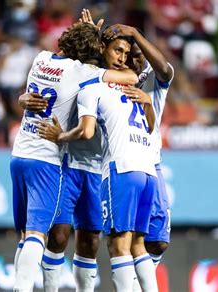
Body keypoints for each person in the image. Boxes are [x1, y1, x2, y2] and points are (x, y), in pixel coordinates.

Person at [10, 22, 138, 291]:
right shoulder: (85, 73)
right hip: (57, 160)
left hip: (28, 152)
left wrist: (23, 99)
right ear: (96, 50)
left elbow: (31, 91)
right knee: (48, 235)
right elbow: (131, 77)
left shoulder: (41, 58)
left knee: (37, 236)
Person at [39, 56, 158, 291]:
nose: (121, 58)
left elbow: (143, 74)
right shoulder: (83, 75)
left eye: (125, 53)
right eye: (116, 51)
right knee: (59, 236)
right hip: (69, 164)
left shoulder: (124, 84)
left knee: (90, 240)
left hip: (98, 169)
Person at [103, 23, 174, 275]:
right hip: (120, 162)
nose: (130, 61)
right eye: (125, 55)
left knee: (156, 241)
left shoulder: (153, 78)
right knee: (124, 239)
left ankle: (136, 283)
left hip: (150, 163)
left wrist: (134, 33)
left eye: (137, 56)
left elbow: (165, 69)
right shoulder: (109, 76)